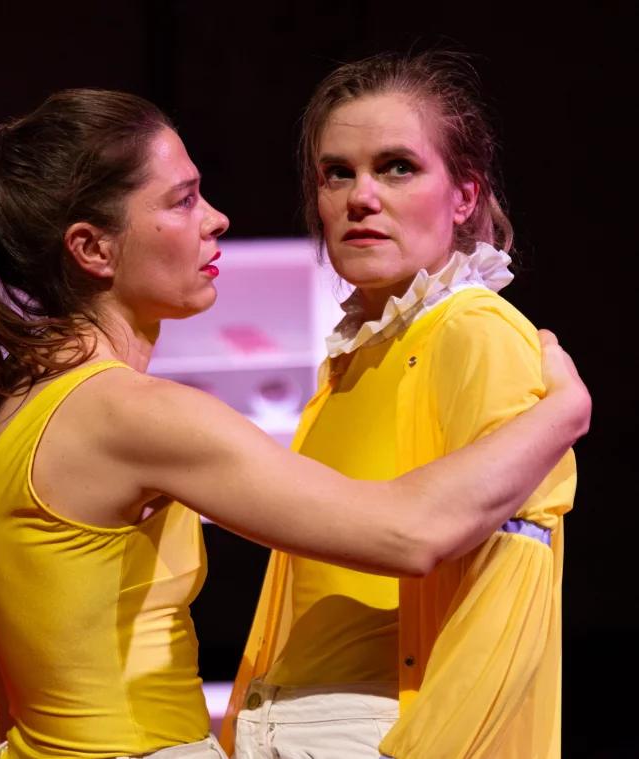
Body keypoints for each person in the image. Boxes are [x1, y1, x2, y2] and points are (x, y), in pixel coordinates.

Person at [0, 88, 588, 759]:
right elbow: (408, 532)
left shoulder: (1, 408)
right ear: (93, 249)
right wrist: (562, 414)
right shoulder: (137, 414)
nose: (216, 219)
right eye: (182, 200)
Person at [224, 53, 575, 759]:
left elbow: (513, 580)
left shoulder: (474, 331)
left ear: (465, 195)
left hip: (380, 732)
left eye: (397, 167)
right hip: (286, 726)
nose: (361, 197)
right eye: (337, 172)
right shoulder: (355, 356)